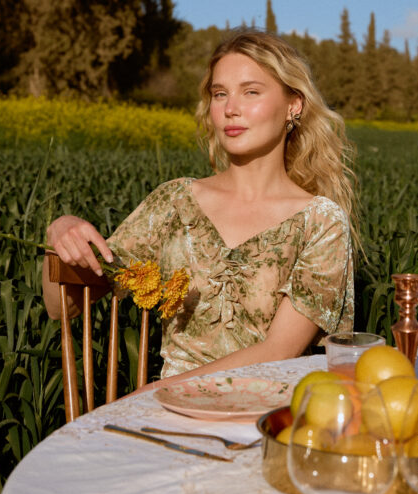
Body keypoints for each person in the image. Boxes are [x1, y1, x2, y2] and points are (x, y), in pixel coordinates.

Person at [43, 29, 358, 384]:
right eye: (219, 94)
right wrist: (60, 231)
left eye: (251, 92)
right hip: (171, 411)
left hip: (265, 408)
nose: (230, 109)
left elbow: (278, 351)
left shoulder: (321, 221)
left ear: (293, 105)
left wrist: (152, 394)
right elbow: (60, 306)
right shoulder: (175, 202)